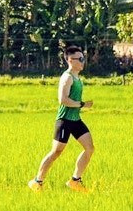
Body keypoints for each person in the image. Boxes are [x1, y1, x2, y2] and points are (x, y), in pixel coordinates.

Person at [29, 45, 94, 192]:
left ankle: (75, 181)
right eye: (80, 59)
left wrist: (80, 106)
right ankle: (37, 181)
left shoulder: (77, 77)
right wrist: (82, 104)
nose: (83, 61)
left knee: (89, 148)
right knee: (56, 152)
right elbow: (62, 100)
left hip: (75, 119)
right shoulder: (67, 77)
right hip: (64, 120)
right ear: (71, 60)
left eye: (83, 58)